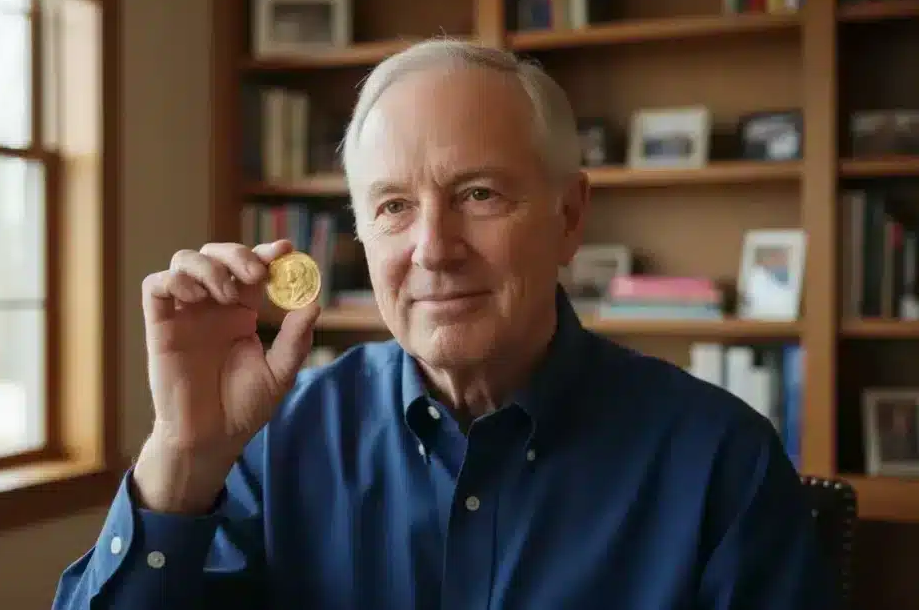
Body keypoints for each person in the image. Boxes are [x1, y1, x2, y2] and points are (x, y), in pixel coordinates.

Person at [52, 39, 836, 609]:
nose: (433, 249)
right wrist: (183, 460)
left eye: (479, 194)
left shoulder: (721, 462)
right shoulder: (274, 442)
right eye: (394, 207)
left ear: (569, 217)